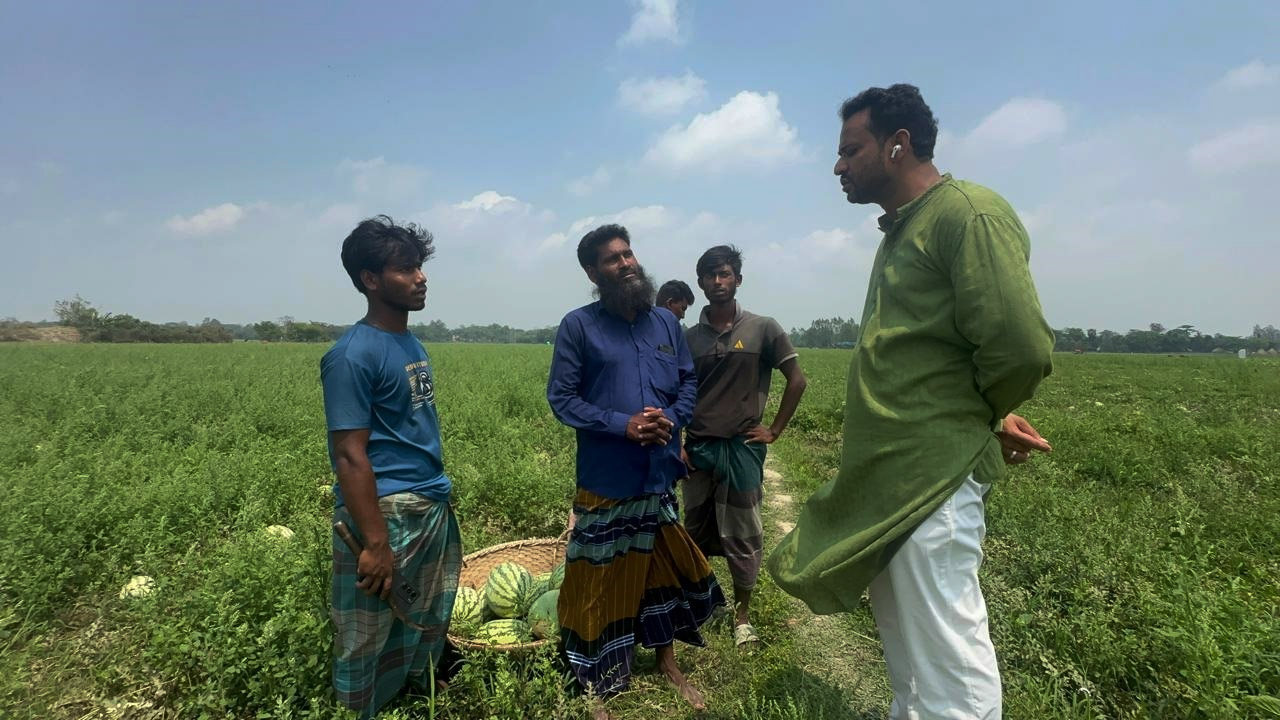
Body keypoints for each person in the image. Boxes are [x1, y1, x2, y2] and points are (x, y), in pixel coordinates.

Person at [768, 84, 1055, 719]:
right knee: (913, 665)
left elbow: (1019, 347)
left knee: (949, 669)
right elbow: (943, 352)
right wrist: (990, 410)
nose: (838, 165)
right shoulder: (902, 230)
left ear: (898, 146)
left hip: (932, 482)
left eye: (850, 149)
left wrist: (977, 415)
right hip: (894, 484)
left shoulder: (967, 214)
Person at [547, 224, 725, 719]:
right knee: (596, 580)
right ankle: (593, 682)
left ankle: (667, 661)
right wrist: (622, 425)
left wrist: (671, 418)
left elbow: (687, 383)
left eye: (628, 254)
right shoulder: (579, 326)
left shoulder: (666, 325)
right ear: (592, 273)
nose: (625, 264)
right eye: (611, 259)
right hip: (608, 478)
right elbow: (562, 399)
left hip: (659, 473)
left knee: (659, 571)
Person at [320, 215, 461, 717]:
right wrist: (375, 542)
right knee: (366, 633)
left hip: (428, 500)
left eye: (419, 266)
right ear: (370, 280)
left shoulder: (410, 343)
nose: (420, 277)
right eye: (406, 269)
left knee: (424, 613)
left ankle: (411, 696)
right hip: (388, 514)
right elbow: (349, 455)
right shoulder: (352, 355)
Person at [682, 244, 807, 647]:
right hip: (698, 449)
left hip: (741, 448)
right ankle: (700, 604)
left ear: (738, 278)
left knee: (743, 533)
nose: (718, 282)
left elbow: (797, 380)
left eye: (725, 274)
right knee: (694, 530)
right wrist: (677, 443)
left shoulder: (763, 328)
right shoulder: (688, 339)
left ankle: (742, 617)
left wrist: (775, 430)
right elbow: (675, 393)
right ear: (700, 282)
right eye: (709, 275)